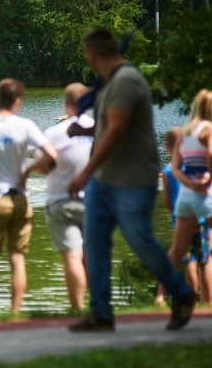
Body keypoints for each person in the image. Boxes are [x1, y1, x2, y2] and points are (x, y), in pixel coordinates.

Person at [67, 27, 195, 332]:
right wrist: (84, 132)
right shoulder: (110, 83)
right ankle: (101, 313)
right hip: (104, 179)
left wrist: (83, 173)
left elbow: (117, 130)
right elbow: (107, 126)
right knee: (94, 243)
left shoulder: (126, 81)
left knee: (139, 240)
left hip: (132, 179)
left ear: (92, 54)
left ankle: (181, 293)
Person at [0, 78, 58, 315]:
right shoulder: (26, 125)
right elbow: (51, 154)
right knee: (17, 260)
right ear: (18, 101)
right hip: (21, 199)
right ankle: (15, 314)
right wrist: (27, 171)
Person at [23, 82, 93, 311]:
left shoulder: (54, 133)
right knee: (91, 258)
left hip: (61, 201)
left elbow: (42, 168)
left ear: (66, 105)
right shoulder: (101, 128)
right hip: (94, 203)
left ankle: (77, 310)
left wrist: (31, 170)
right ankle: (99, 308)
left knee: (72, 258)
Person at [168, 90, 212, 308]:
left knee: (177, 251)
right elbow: (211, 154)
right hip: (210, 196)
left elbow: (175, 169)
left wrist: (190, 183)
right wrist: (208, 180)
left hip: (186, 197)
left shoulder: (184, 132)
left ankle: (169, 294)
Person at [153, 127, 212, 306]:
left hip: (180, 218)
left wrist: (173, 212)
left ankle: (170, 296)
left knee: (187, 259)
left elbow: (166, 201)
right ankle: (207, 299)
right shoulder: (194, 167)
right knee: (205, 258)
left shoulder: (167, 171)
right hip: (201, 218)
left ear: (167, 147)